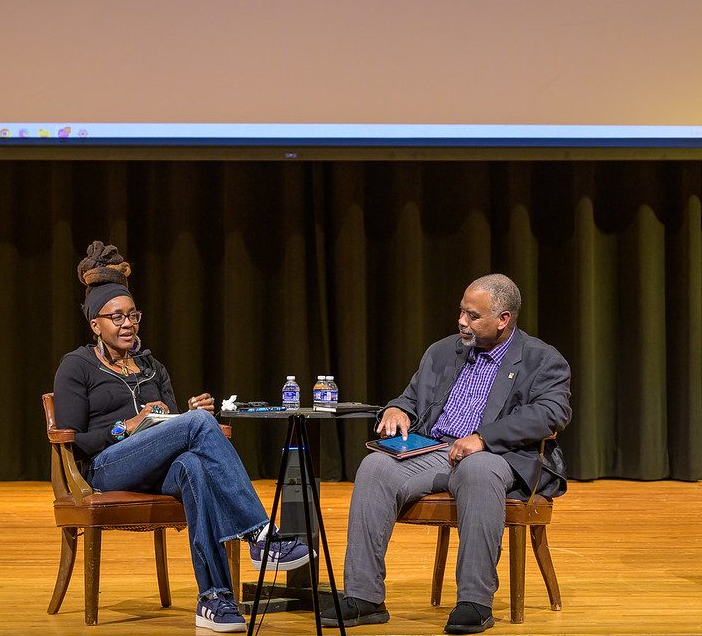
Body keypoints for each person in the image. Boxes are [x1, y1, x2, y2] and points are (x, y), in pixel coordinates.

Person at [54, 242, 311, 633]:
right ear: (95, 324)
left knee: (194, 463)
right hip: (106, 468)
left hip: (155, 467)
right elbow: (76, 441)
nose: (128, 324)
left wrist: (188, 414)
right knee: (195, 425)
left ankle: (214, 598)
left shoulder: (151, 367)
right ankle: (261, 534)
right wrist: (129, 425)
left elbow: (174, 426)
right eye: (116, 317)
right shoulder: (77, 366)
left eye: (133, 315)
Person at [321, 274, 571, 634]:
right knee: (375, 465)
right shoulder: (443, 351)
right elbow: (410, 398)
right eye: (461, 312)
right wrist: (396, 410)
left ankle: (474, 601)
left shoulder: (541, 359)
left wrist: (483, 438)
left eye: (473, 316)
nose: (461, 322)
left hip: (498, 455)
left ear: (503, 319)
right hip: (435, 450)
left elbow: (552, 413)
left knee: (478, 470)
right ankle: (365, 597)